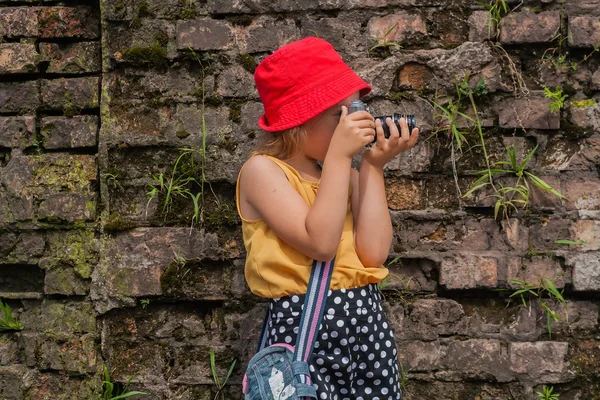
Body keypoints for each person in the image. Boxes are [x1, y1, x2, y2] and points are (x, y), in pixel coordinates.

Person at [235, 37, 419, 400]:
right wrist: (338, 157)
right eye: (341, 114)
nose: (354, 121)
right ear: (300, 120)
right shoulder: (262, 172)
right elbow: (320, 243)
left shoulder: (343, 177)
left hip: (366, 319)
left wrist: (372, 167)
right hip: (304, 324)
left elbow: (373, 253)